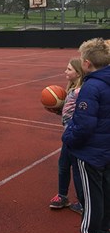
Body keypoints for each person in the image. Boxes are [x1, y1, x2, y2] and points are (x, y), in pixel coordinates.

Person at [59, 38, 110, 233]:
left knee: (90, 196)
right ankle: (105, 230)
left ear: (87, 64)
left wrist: (68, 139)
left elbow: (84, 125)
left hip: (89, 151)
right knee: (105, 192)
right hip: (105, 148)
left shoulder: (91, 87)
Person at [48, 58, 86, 214]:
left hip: (75, 136)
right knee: (63, 165)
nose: (65, 71)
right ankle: (62, 195)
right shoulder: (71, 89)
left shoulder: (81, 91)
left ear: (78, 73)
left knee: (77, 170)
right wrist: (59, 110)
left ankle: (83, 202)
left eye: (69, 69)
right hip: (69, 135)